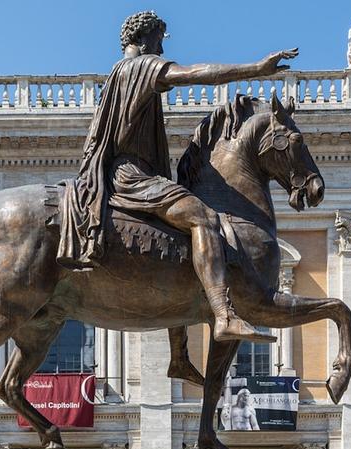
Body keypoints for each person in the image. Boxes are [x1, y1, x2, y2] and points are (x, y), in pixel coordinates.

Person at [57, 10, 298, 343]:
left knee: (175, 245)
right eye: (159, 41)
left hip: (119, 173)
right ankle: (224, 315)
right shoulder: (141, 67)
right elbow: (196, 73)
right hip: (132, 176)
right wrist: (256, 69)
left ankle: (180, 355)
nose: (162, 50)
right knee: (203, 219)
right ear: (144, 39)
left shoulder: (116, 75)